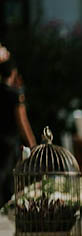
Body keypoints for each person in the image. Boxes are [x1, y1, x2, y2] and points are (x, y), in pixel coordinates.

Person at [0, 44, 36, 207]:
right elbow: (23, 123)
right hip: (8, 144)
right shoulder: (15, 95)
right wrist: (33, 145)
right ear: (13, 73)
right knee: (8, 181)